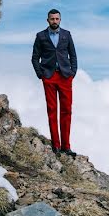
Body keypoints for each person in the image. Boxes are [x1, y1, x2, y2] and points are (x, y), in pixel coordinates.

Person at [31, 9, 78, 156]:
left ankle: (66, 146)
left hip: (65, 77)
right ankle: (56, 145)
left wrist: (72, 72)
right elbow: (34, 57)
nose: (55, 21)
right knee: (52, 111)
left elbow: (73, 55)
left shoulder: (66, 34)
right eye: (52, 19)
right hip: (49, 77)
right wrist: (41, 74)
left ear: (60, 20)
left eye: (57, 19)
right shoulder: (40, 36)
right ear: (48, 20)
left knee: (67, 111)